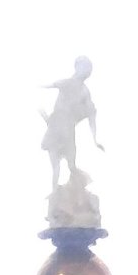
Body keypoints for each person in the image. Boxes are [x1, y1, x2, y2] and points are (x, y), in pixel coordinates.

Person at [40, 56, 103, 191]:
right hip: (55, 129)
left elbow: (92, 115)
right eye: (85, 68)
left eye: (89, 70)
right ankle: (55, 193)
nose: (88, 72)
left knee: (71, 165)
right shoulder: (67, 83)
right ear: (77, 68)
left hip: (67, 130)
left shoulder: (84, 91)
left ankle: (74, 190)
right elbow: (46, 86)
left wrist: (95, 140)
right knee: (56, 167)